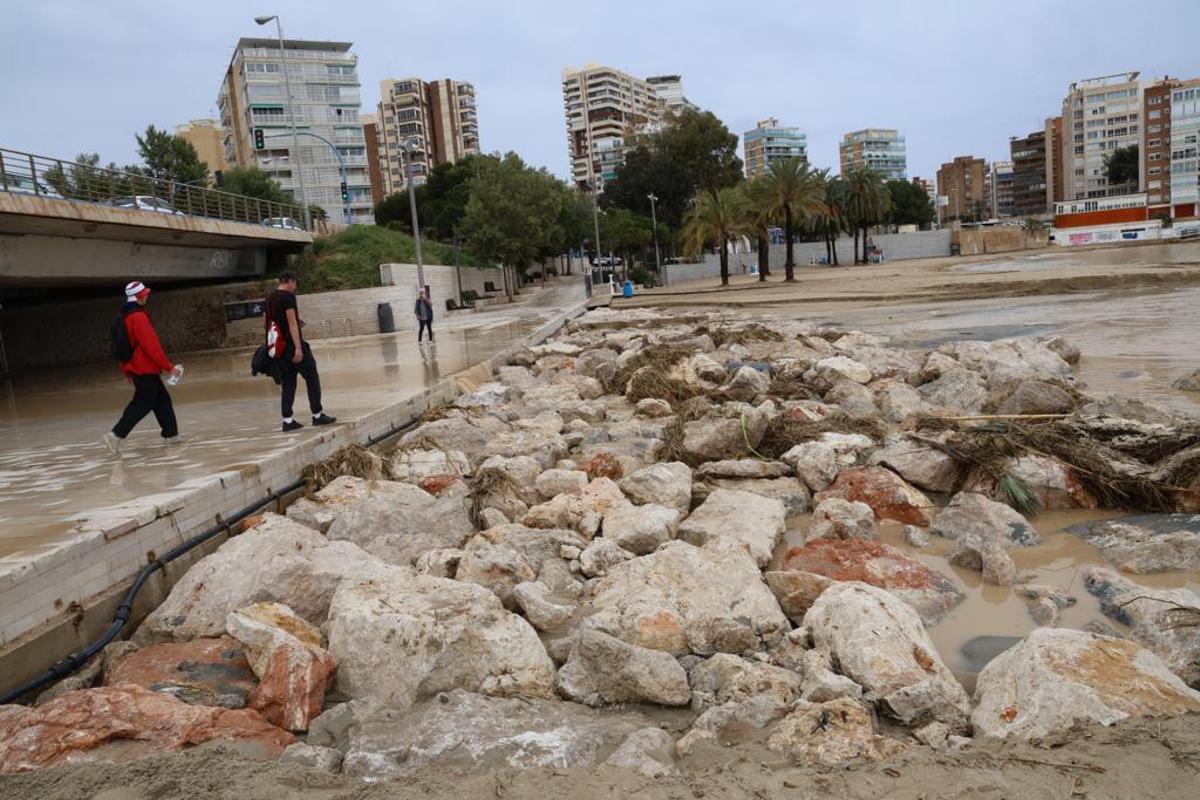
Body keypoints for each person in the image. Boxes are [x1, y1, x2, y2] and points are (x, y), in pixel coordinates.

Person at [102, 281, 182, 456]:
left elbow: (120, 348)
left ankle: (171, 436)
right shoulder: (138, 317)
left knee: (162, 400)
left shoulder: (123, 317)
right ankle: (115, 435)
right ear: (140, 296)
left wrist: (126, 370)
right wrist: (169, 367)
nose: (147, 295)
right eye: (145, 293)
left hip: (137, 369)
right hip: (144, 368)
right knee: (143, 403)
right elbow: (151, 346)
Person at [265, 271, 336, 432]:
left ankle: (288, 420)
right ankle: (317, 415)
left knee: (289, 382)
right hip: (292, 345)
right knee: (312, 376)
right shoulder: (288, 297)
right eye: (295, 283)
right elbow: (291, 323)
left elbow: (269, 322)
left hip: (280, 348)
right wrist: (298, 348)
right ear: (290, 281)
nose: (295, 287)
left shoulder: (269, 297)